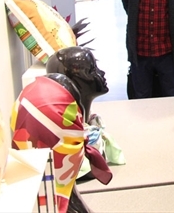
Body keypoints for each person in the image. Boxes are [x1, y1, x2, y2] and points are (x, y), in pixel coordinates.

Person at [11, 46, 112, 213]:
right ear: (75, 79)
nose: (102, 73)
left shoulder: (68, 132)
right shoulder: (64, 138)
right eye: (92, 70)